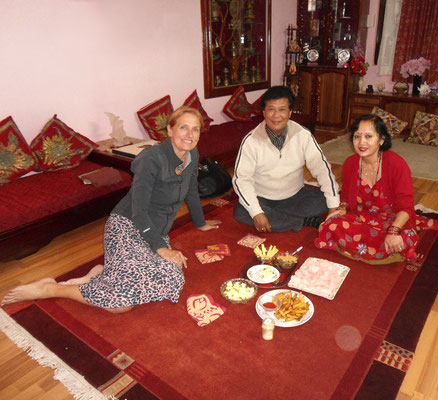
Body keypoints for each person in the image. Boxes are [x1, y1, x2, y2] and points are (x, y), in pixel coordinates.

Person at [2, 107, 221, 311]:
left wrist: (200, 223)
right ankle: (51, 289)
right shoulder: (151, 159)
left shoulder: (191, 156)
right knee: (119, 303)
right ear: (170, 129)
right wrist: (161, 249)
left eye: (195, 129)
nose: (189, 135)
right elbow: (138, 212)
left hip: (154, 232)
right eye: (183, 127)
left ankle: (101, 274)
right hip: (127, 226)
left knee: (172, 278)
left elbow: (191, 189)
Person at [315, 114, 438, 264]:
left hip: (391, 219)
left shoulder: (396, 164)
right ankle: (377, 253)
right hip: (361, 217)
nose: (361, 142)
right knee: (332, 224)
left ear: (381, 139)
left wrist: (393, 231)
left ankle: (362, 249)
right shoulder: (351, 163)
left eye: (368, 136)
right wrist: (342, 208)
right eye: (357, 136)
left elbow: (406, 205)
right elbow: (345, 195)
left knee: (404, 238)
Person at [233, 85, 340, 233]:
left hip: (295, 196)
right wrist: (256, 212)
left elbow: (322, 168)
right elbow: (241, 179)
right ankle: (303, 221)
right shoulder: (251, 141)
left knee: (325, 199)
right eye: (271, 109)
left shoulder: (303, 135)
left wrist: (333, 205)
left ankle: (278, 218)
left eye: (282, 109)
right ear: (263, 112)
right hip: (262, 198)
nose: (276, 115)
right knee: (242, 211)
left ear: (290, 113)